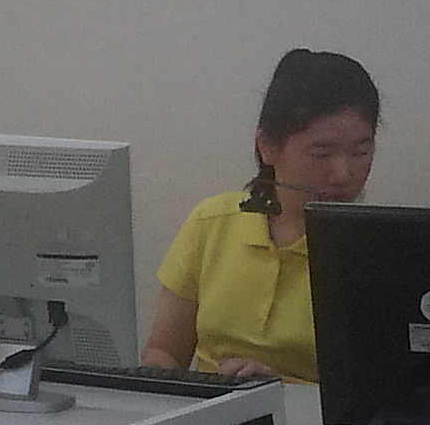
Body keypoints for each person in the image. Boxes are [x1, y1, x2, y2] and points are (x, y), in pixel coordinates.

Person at [140, 50, 382, 382]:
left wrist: (276, 389)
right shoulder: (212, 222)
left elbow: (382, 387)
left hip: (318, 414)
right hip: (215, 404)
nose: (343, 174)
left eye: (361, 152)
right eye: (321, 154)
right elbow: (164, 352)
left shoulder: (376, 248)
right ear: (268, 146)